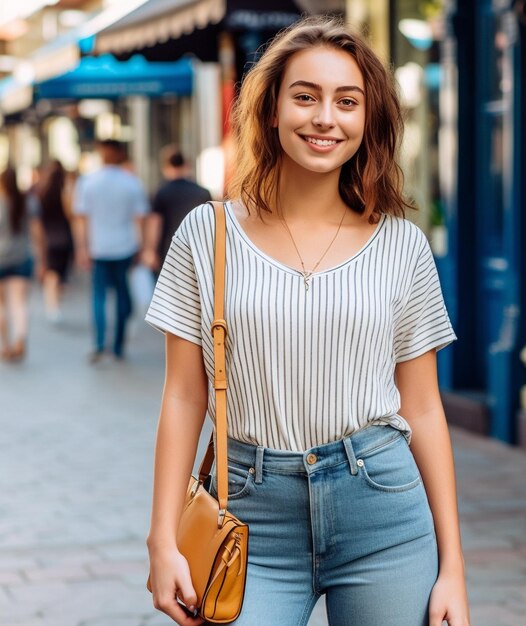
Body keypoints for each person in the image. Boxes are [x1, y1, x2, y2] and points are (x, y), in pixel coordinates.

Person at [145, 16, 470, 626]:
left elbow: (423, 407)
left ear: (367, 120)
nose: (326, 118)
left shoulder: (403, 246)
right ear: (271, 110)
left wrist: (453, 565)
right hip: (246, 511)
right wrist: (162, 538)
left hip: (384, 513)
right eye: (305, 97)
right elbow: (184, 394)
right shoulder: (208, 233)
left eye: (347, 102)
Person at [73, 140, 149, 362]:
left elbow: (81, 219)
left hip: (98, 248)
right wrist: (141, 246)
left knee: (99, 296)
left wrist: (82, 248)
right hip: (125, 246)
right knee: (123, 294)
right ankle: (118, 345)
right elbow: (140, 218)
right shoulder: (132, 183)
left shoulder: (88, 182)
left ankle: (99, 342)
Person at [142, 145, 211, 275]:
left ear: (165, 167)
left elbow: (154, 223)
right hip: (197, 250)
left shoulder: (162, 192)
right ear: (185, 165)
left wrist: (150, 250)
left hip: (169, 251)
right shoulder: (202, 192)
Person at [0, 166, 45, 361]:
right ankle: (21, 337)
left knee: (1, 305)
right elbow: (37, 232)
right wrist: (42, 258)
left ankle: (6, 345)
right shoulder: (28, 201)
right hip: (22, 257)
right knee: (19, 302)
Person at [36, 160, 74, 324]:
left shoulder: (41, 194)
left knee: (52, 274)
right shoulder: (65, 193)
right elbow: (71, 215)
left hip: (49, 237)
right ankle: (54, 305)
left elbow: (38, 220)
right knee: (58, 274)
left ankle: (52, 306)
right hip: (64, 238)